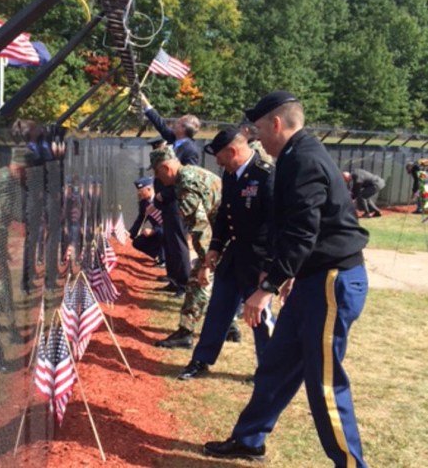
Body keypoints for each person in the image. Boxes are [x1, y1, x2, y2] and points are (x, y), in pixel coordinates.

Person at [203, 91, 370, 467]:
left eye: (259, 128)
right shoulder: (294, 156)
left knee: (324, 382)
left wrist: (267, 287)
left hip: (331, 281)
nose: (257, 136)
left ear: (276, 124)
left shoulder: (303, 160)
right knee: (277, 364)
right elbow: (292, 227)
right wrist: (279, 271)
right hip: (312, 278)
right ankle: (250, 439)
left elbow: (303, 232)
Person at [178, 127, 276, 380]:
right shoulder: (231, 175)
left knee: (260, 316)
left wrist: (270, 265)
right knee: (218, 309)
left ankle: (269, 369)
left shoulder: (266, 176)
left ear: (233, 151)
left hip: (257, 259)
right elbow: (224, 215)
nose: (219, 165)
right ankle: (201, 360)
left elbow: (277, 224)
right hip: (233, 256)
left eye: (221, 159)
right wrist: (215, 247)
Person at [149, 147, 221, 349]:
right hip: (227, 234)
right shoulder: (191, 173)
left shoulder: (184, 185)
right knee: (224, 283)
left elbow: (200, 227)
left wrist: (206, 262)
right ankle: (230, 326)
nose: (157, 177)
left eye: (157, 171)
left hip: (223, 236)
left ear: (166, 167)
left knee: (197, 283)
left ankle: (185, 333)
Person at [140, 92, 200, 298]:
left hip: (176, 202)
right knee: (169, 241)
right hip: (166, 201)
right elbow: (161, 126)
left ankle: (183, 284)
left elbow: (186, 180)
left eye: (178, 122)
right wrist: (147, 106)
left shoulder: (190, 150)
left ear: (185, 128)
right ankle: (174, 279)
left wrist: (165, 195)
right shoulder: (176, 142)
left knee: (179, 242)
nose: (174, 124)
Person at [128, 176, 165, 267]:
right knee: (138, 242)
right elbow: (140, 219)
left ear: (149, 189)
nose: (139, 193)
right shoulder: (143, 203)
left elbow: (168, 220)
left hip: (168, 229)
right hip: (158, 230)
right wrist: (130, 234)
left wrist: (154, 230)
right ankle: (159, 255)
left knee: (162, 234)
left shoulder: (161, 198)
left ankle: (164, 260)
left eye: (141, 191)